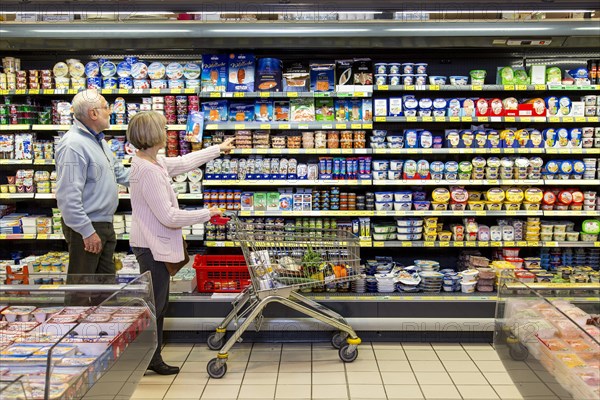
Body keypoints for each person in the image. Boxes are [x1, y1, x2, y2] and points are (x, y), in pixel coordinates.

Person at [126, 111, 234, 375]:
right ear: (153, 134)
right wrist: (207, 213)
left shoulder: (151, 161)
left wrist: (217, 149)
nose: (167, 131)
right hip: (151, 246)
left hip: (153, 243)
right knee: (156, 305)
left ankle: (151, 355)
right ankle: (150, 357)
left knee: (158, 302)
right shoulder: (148, 171)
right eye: (163, 128)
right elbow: (169, 217)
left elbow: (185, 162)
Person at [55, 89, 130, 299]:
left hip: (103, 224)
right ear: (93, 113)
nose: (110, 111)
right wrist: (87, 231)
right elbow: (67, 197)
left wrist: (156, 172)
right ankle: (75, 331)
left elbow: (121, 173)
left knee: (105, 290)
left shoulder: (99, 142)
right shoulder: (73, 145)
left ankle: (104, 330)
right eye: (106, 107)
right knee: (80, 289)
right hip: (87, 226)